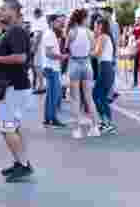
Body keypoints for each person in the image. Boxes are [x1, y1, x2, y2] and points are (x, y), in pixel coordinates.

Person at [0, 0, 34, 182]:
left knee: (8, 128)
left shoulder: (16, 31)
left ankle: (23, 165)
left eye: (3, 9)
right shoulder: (12, 31)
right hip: (13, 86)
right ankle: (20, 161)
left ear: (13, 11)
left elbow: (20, 57)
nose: (0, 11)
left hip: (14, 86)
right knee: (12, 127)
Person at [65, 9, 101, 139]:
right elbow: (92, 50)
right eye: (88, 18)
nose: (89, 20)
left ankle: (77, 130)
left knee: (75, 98)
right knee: (89, 97)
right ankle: (95, 127)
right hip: (87, 64)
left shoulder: (71, 32)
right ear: (84, 19)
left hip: (74, 63)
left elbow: (67, 48)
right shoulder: (90, 33)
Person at [91, 15, 118, 135]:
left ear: (100, 26)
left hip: (105, 68)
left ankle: (108, 123)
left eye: (95, 26)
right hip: (106, 68)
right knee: (100, 96)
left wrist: (84, 53)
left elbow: (97, 53)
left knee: (98, 95)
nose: (94, 28)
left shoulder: (103, 37)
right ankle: (105, 122)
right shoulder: (105, 37)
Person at [41, 14, 66, 129]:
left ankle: (49, 118)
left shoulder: (51, 34)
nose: (59, 23)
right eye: (57, 22)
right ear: (51, 23)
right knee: (54, 95)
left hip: (51, 67)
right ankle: (51, 118)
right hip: (51, 68)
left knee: (52, 94)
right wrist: (61, 57)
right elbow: (48, 53)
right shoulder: (49, 35)